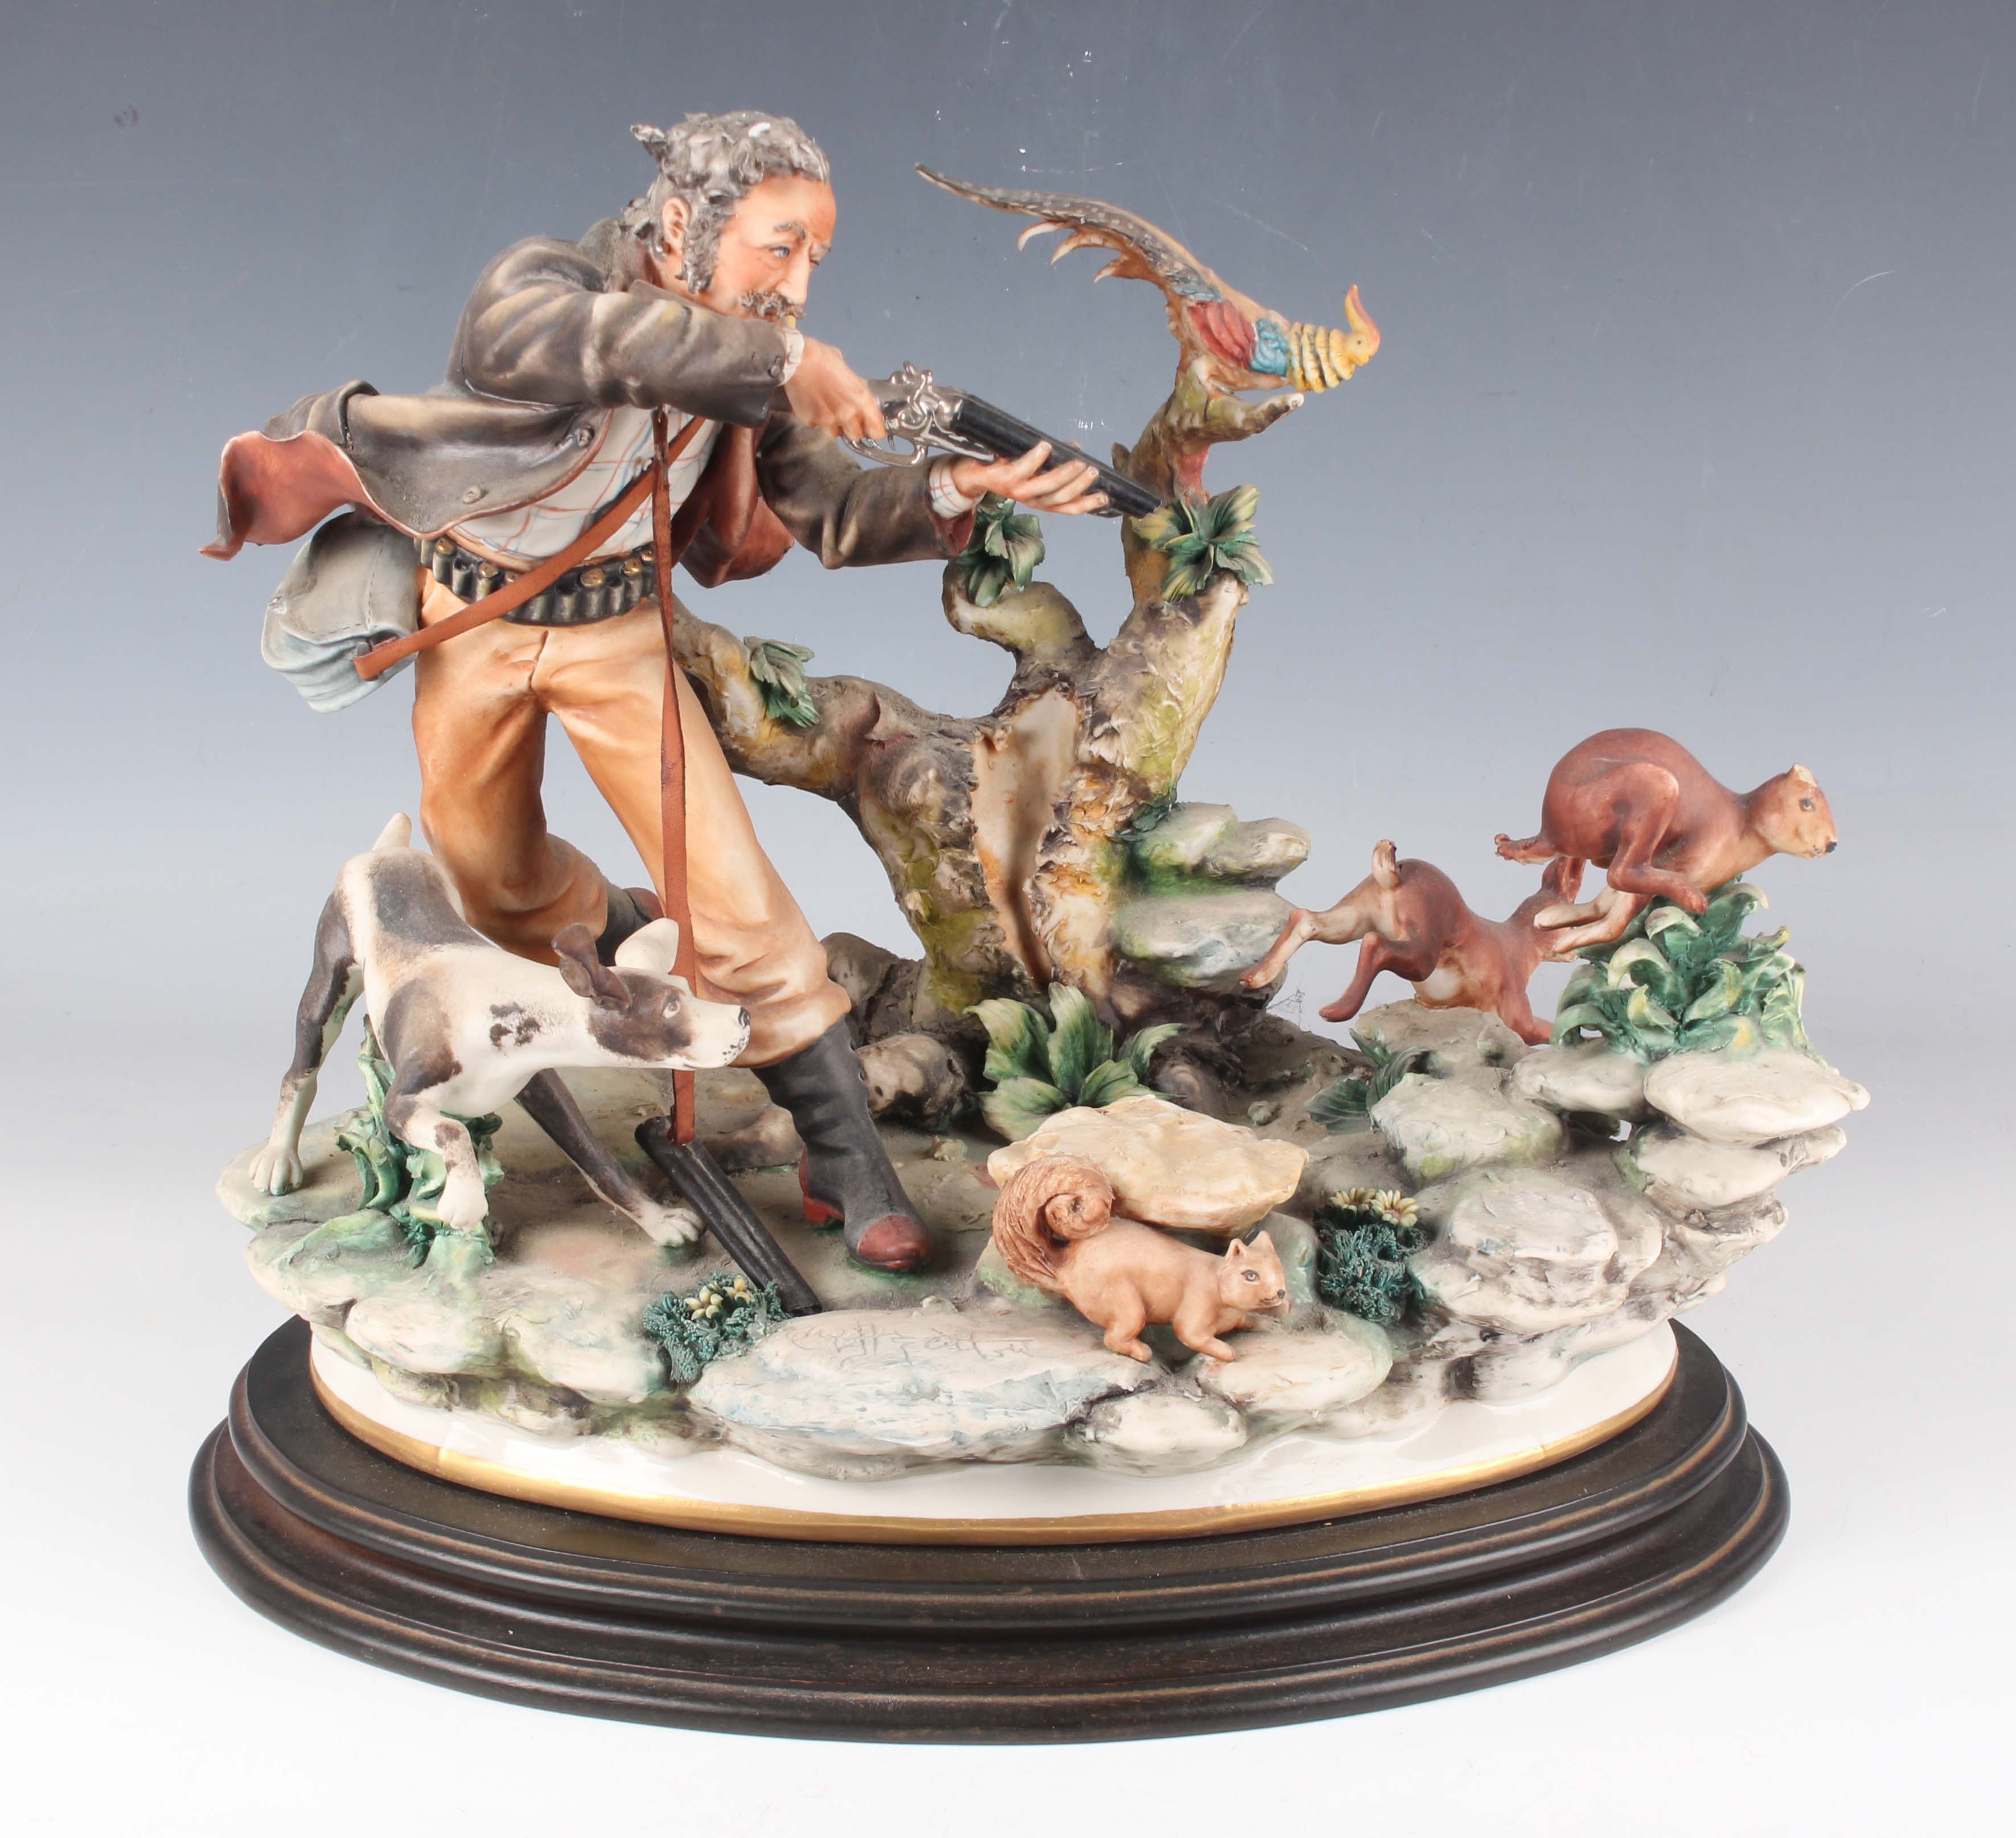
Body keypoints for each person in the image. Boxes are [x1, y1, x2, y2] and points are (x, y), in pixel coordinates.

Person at [204, 110, 1105, 1272]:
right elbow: (555, 342)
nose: (796, 285)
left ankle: (841, 1149)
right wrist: (778, 364)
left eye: (814, 257)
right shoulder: (547, 284)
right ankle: (633, 936)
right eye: (779, 247)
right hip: (471, 624)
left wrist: (953, 491)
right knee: (490, 880)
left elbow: (827, 502)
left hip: (617, 634)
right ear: (682, 223)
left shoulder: (749, 355)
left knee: (734, 891)